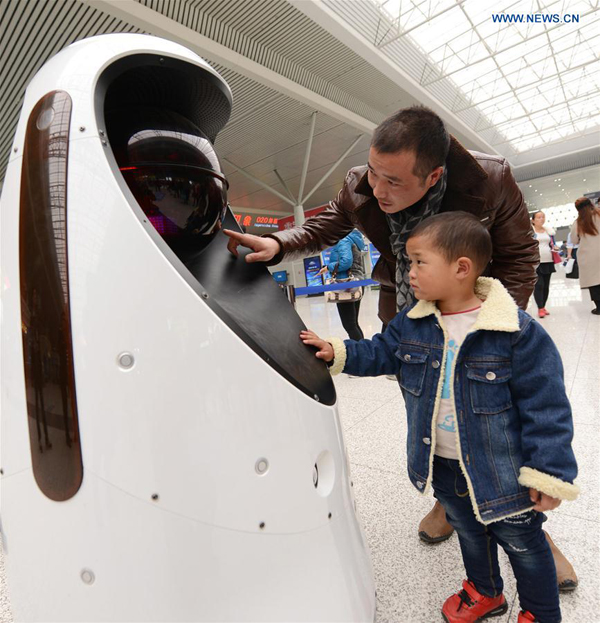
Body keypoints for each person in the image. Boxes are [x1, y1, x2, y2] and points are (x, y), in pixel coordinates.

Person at [223, 106, 577, 585]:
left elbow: (518, 256)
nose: (377, 189)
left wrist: (490, 327)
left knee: (498, 423)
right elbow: (331, 221)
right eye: (373, 172)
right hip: (412, 326)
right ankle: (451, 501)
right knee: (434, 410)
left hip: (481, 329)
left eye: (393, 180)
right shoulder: (360, 184)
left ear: (433, 175)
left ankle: (528, 525)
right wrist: (281, 244)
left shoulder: (489, 179)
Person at [300, 212, 579, 623]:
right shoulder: (413, 324)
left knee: (523, 542)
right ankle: (486, 592)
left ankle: (539, 613)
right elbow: (380, 351)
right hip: (445, 466)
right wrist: (336, 352)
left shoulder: (515, 332)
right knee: (468, 532)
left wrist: (549, 473)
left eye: (418, 261)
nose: (408, 272)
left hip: (502, 471)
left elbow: (548, 408)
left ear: (461, 268)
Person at [318, 229, 366, 341]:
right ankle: (363, 349)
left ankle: (360, 353)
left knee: (349, 325)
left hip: (345, 283)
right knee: (353, 323)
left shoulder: (343, 240)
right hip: (356, 281)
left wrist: (328, 267)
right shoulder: (354, 238)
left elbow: (346, 262)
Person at [570, 197, 600, 315]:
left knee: (593, 282)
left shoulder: (578, 222)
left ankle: (599, 307)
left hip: (588, 256)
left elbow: (573, 240)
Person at [531, 211, 559, 318]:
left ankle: (543, 306)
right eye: (538, 217)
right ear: (533, 220)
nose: (541, 219)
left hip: (548, 260)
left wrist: (555, 247)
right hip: (536, 262)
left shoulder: (548, 231)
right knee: (539, 285)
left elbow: (553, 244)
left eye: (543, 217)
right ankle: (540, 307)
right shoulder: (530, 232)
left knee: (546, 286)